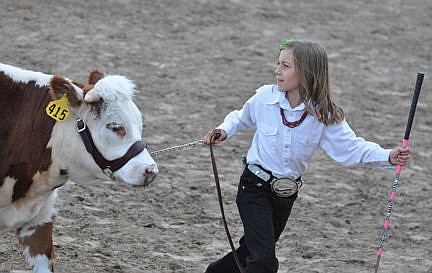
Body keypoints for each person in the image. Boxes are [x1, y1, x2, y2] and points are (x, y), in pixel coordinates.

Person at [202, 38, 411, 273]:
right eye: (278, 64)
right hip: (253, 188)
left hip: (285, 196)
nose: (277, 70)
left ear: (306, 73)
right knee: (263, 262)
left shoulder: (324, 114)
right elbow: (240, 117)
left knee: (252, 251)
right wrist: (223, 130)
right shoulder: (264, 98)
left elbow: (352, 148)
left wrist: (388, 156)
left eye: (285, 66)